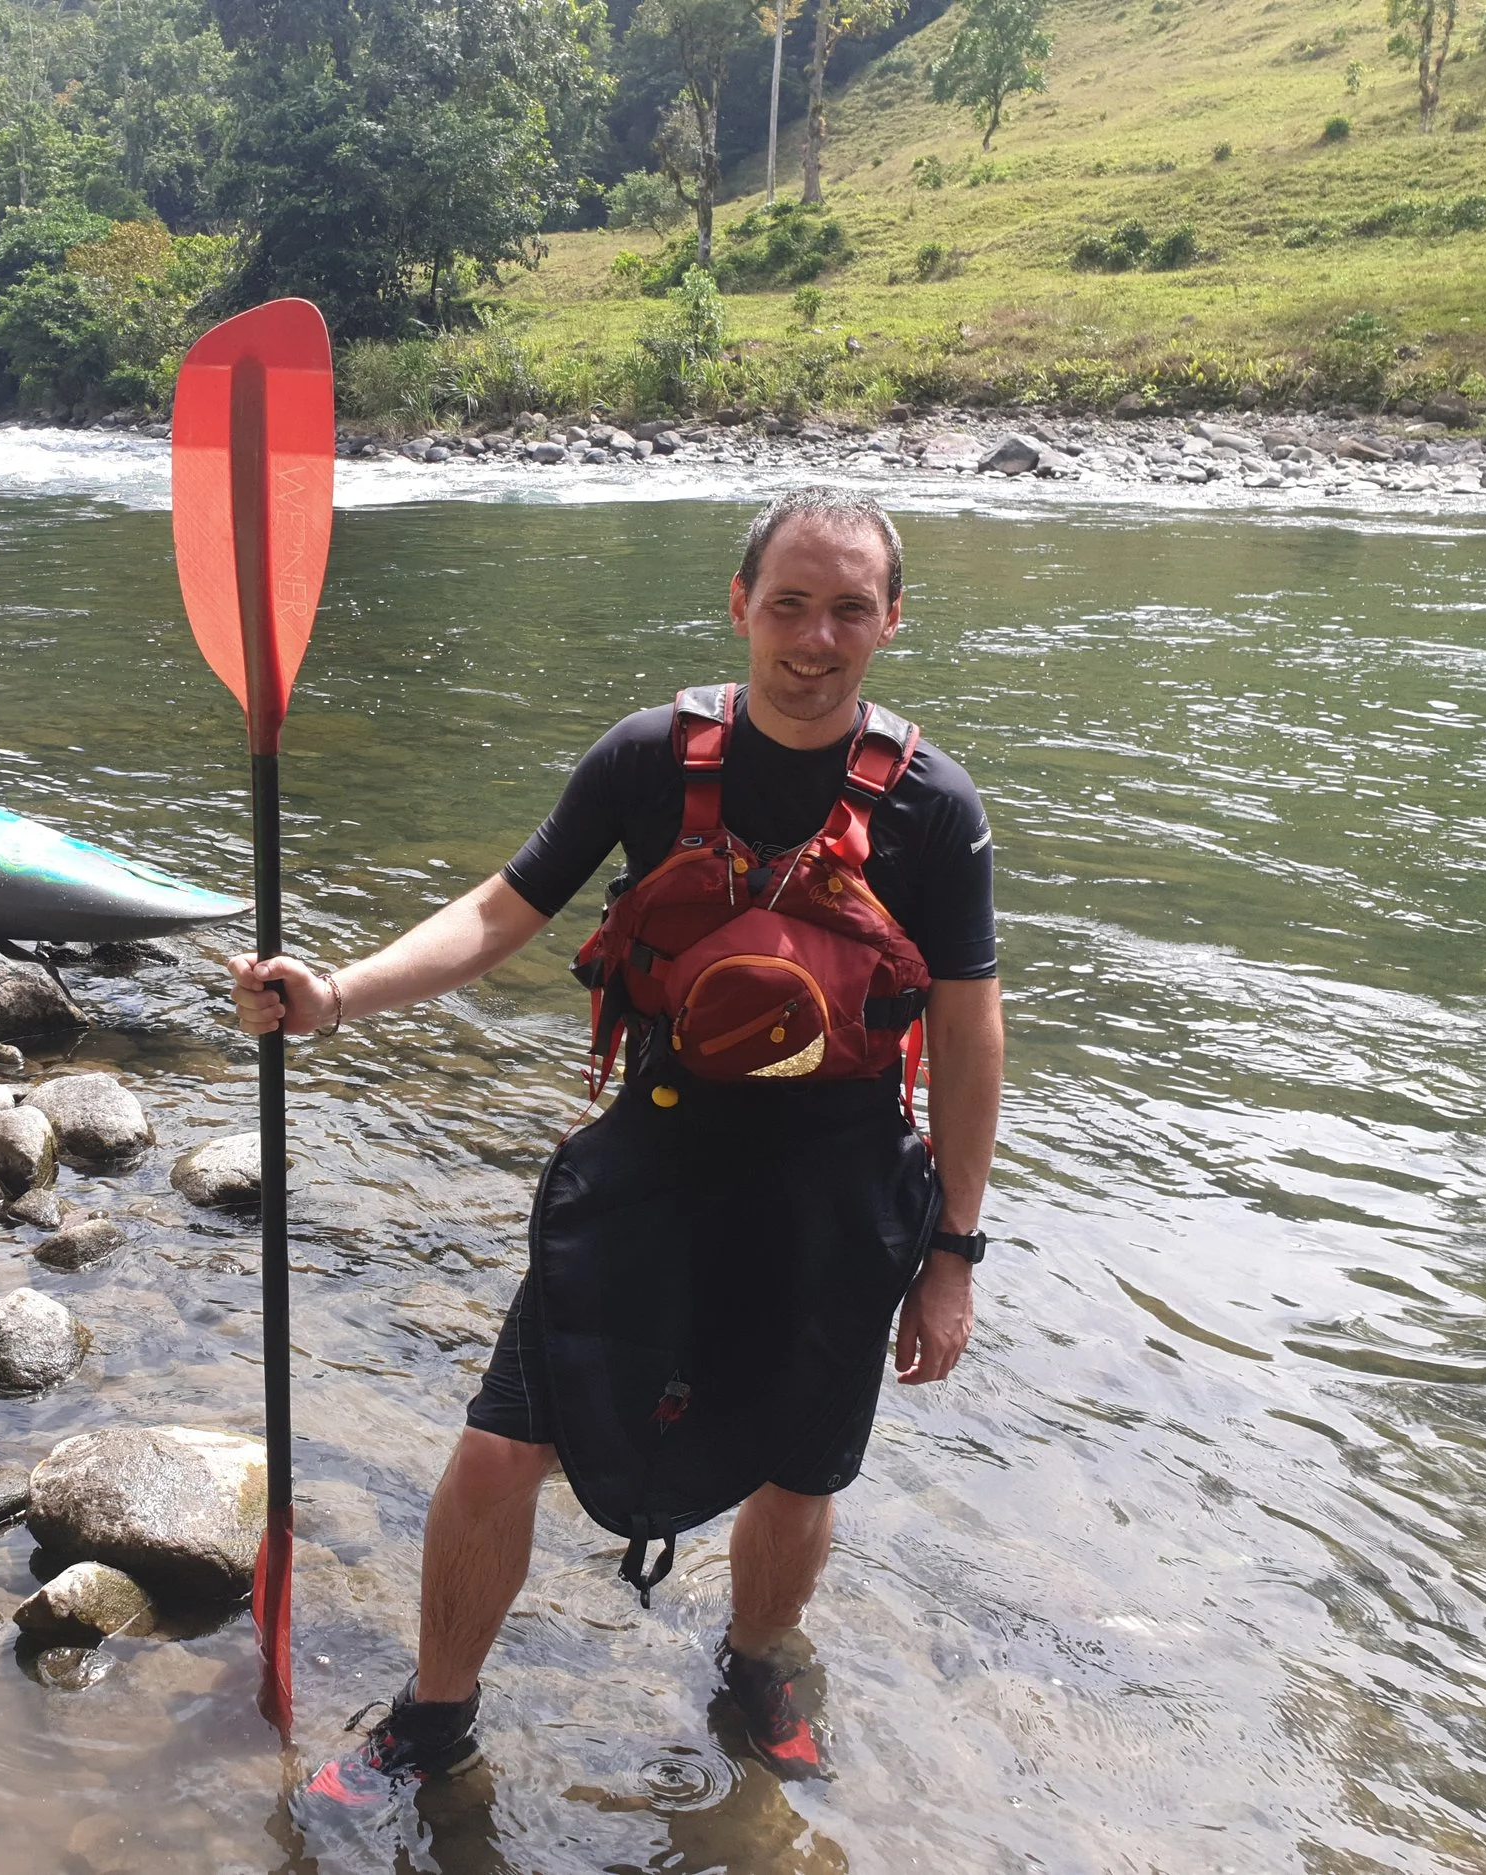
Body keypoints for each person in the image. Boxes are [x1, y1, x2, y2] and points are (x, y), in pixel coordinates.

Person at [229, 487, 1004, 1803]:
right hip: (659, 1155)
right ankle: (433, 1713)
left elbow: (971, 1032)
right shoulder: (648, 758)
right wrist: (339, 992)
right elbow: (502, 907)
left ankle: (760, 1658)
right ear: (739, 605)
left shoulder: (935, 805)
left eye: (849, 609)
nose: (816, 636)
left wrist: (953, 1254)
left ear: (891, 620)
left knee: (797, 1466)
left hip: (841, 1180)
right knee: (498, 1444)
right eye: (791, 603)